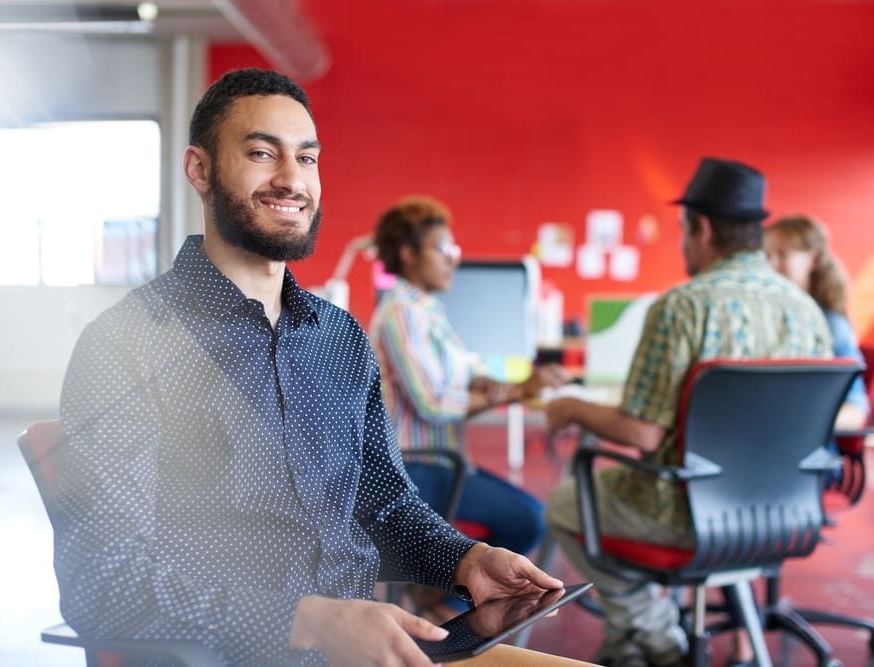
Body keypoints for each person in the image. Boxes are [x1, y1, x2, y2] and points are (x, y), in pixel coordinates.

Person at [53, 67, 573, 667]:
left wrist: (467, 561)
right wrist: (313, 623)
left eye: (307, 158)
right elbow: (101, 581)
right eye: (260, 153)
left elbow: (385, 507)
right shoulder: (128, 344)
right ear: (200, 170)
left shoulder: (339, 340)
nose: (291, 179)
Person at [542, 158, 833, 667]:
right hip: (783, 514)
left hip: (686, 515)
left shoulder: (682, 306)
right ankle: (629, 638)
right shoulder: (805, 308)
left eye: (683, 231)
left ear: (700, 228)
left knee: (566, 502)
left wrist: (571, 407)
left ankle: (654, 634)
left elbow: (642, 433)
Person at [369, 195, 566, 618]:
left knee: (525, 515)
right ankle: (448, 606)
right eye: (444, 250)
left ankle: (438, 595)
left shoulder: (429, 312)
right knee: (529, 519)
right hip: (416, 466)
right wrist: (516, 391)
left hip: (441, 463)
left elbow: (468, 371)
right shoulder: (402, 313)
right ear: (408, 254)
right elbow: (435, 403)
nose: (453, 260)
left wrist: (497, 383)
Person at [764, 215, 869, 429]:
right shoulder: (765, 317)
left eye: (782, 254)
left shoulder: (831, 325)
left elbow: (856, 412)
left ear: (813, 258)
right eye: (767, 255)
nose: (771, 264)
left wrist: (794, 423)